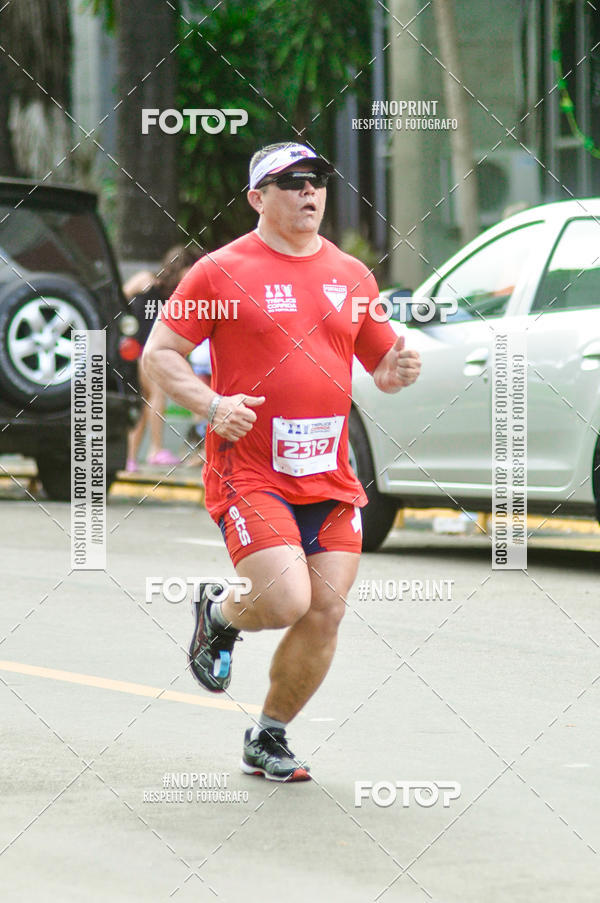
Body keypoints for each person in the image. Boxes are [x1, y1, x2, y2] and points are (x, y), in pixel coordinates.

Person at [144, 142, 421, 782]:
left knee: (325, 611)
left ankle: (268, 735)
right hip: (252, 472)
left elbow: (381, 364)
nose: (308, 191)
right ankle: (218, 614)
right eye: (290, 181)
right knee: (285, 599)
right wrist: (212, 405)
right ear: (257, 198)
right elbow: (160, 355)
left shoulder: (352, 275)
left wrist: (396, 369)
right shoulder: (219, 271)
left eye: (317, 180)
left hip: (329, 473)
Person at [125, 244, 199, 471]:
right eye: (189, 268)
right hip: (136, 348)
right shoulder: (146, 281)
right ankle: (155, 449)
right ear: (178, 267)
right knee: (156, 395)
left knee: (145, 402)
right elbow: (119, 300)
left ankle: (130, 458)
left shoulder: (176, 296)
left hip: (150, 351)